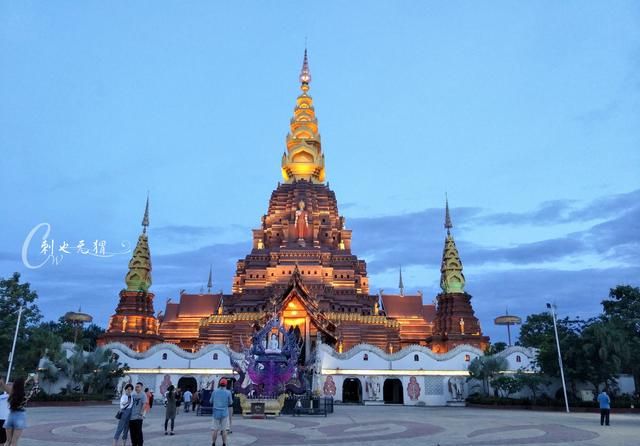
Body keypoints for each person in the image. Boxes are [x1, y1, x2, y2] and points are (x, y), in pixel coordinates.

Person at [0, 375, 39, 446]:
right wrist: (35, 381)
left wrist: (27, 380)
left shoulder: (12, 393)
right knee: (14, 443)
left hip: (10, 416)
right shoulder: (26, 394)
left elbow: (16, 386)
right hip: (20, 417)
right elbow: (35, 391)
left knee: (7, 442)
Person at [210, 379, 233, 446]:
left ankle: (213, 443)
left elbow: (211, 401)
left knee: (215, 429)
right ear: (226, 384)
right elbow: (230, 402)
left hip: (216, 413)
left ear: (219, 384)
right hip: (224, 413)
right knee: (224, 430)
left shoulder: (214, 392)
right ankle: (224, 443)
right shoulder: (228, 392)